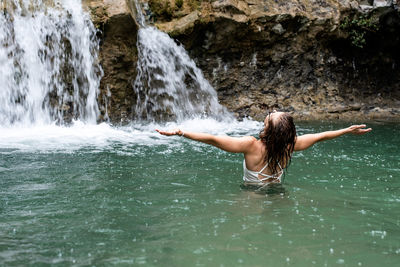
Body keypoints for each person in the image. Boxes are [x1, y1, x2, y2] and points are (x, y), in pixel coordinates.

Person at [156, 111, 372, 187]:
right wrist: (346, 130)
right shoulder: (291, 145)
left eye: (270, 117)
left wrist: (181, 132)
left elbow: (214, 139)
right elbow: (321, 136)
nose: (274, 110)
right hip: (277, 192)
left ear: (268, 130)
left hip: (252, 194)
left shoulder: (251, 145)